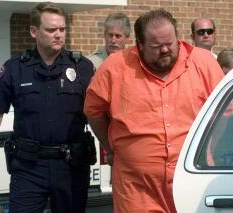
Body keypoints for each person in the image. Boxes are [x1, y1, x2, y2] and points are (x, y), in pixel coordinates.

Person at [84, 9, 224, 212]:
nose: (166, 50)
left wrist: (207, 148)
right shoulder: (115, 67)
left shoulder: (204, 63)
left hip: (192, 184)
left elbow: (225, 114)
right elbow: (94, 111)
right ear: (139, 45)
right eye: (157, 46)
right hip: (137, 190)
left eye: (170, 43)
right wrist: (111, 146)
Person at [0, 2, 94, 213]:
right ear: (34, 31)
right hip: (28, 167)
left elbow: (99, 112)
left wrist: (111, 148)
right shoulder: (15, 68)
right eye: (51, 29)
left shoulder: (81, 67)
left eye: (62, 29)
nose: (58, 35)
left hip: (71, 166)